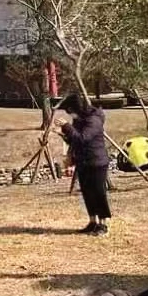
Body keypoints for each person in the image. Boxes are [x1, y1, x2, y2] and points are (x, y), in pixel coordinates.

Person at [54, 93, 111, 235]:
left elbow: (83, 139)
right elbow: (74, 140)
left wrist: (66, 126)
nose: (71, 115)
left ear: (77, 108)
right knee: (87, 193)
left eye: (71, 111)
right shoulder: (79, 120)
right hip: (83, 161)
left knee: (98, 193)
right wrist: (63, 134)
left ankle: (103, 224)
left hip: (97, 161)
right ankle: (92, 222)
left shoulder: (94, 120)